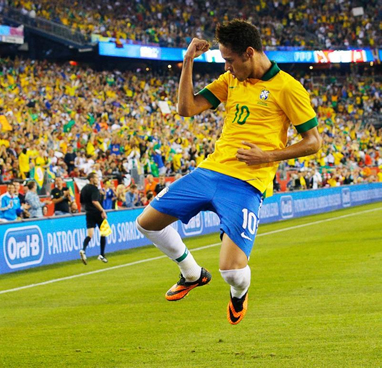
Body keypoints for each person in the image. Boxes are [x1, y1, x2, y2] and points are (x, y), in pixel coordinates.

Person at [136, 20, 322, 325]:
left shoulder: (288, 88)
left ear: (249, 53)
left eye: (230, 60)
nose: (227, 67)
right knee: (146, 224)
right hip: (210, 171)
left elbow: (313, 142)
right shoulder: (232, 80)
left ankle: (239, 295)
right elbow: (186, 108)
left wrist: (268, 156)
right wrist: (187, 62)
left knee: (233, 272)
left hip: (247, 183)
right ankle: (192, 274)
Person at [79, 172, 108, 264]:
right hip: (97, 213)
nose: (98, 179)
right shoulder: (95, 189)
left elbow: (82, 202)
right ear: (91, 179)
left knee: (89, 235)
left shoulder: (83, 189)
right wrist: (102, 210)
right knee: (103, 233)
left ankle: (83, 250)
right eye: (96, 178)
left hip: (88, 213)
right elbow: (95, 201)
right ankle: (102, 255)